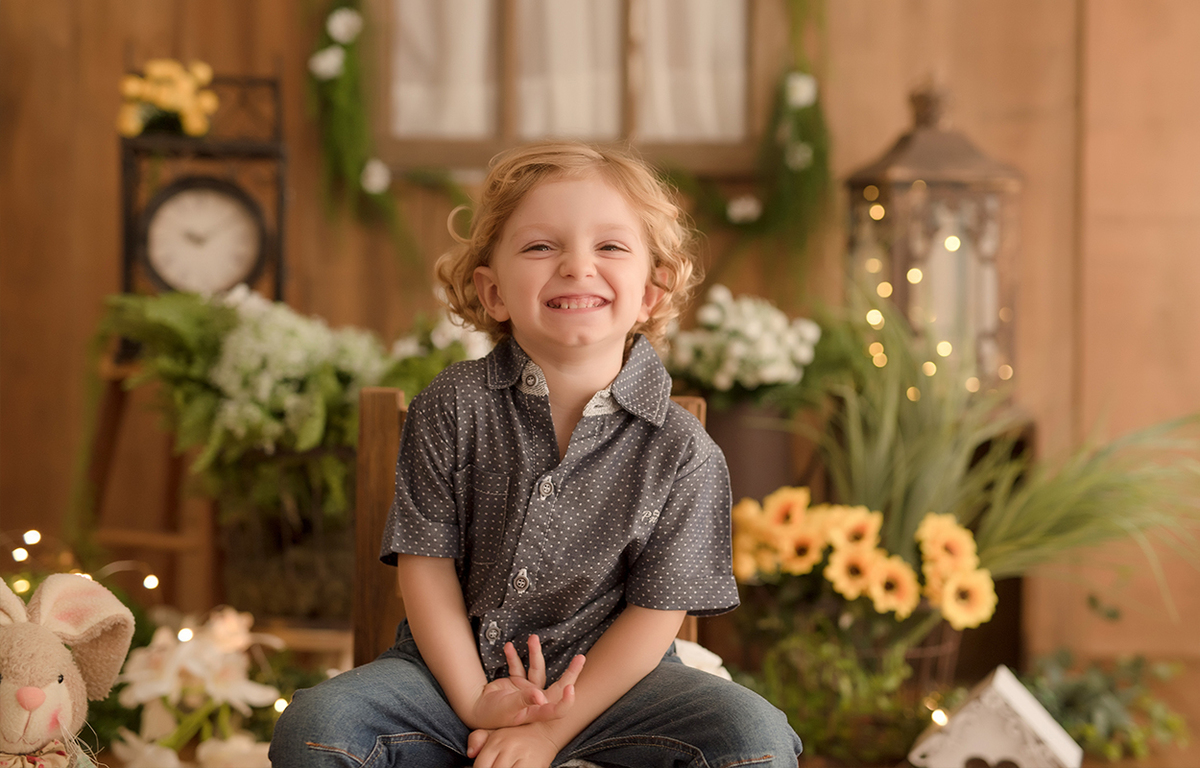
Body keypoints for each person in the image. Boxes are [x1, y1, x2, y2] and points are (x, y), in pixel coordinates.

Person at [269, 141, 802, 768]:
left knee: (754, 736)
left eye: (610, 246)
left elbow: (656, 614)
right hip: (448, 681)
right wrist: (473, 700)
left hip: (619, 690)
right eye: (541, 246)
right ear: (493, 292)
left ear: (652, 294)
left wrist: (547, 733)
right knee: (316, 725)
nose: (578, 267)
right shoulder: (453, 405)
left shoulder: (683, 451)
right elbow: (427, 569)